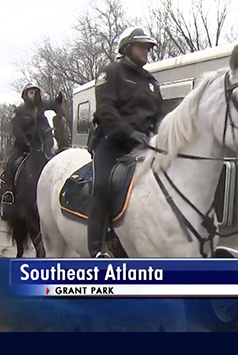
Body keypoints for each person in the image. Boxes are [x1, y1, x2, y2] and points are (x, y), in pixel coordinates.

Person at [87, 27, 164, 258]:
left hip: (143, 145)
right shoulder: (112, 73)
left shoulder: (151, 82)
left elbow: (159, 115)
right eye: (142, 47)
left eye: (148, 47)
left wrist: (159, 134)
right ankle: (97, 250)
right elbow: (106, 111)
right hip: (112, 143)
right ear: (127, 47)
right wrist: (129, 133)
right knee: (101, 186)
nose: (146, 51)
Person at [0, 83, 64, 205]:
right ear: (25, 95)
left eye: (35, 92)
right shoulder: (20, 111)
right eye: (30, 92)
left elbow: (52, 113)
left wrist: (58, 101)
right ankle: (9, 192)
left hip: (41, 146)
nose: (33, 95)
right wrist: (26, 142)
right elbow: (17, 130)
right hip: (23, 147)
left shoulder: (42, 108)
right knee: (10, 163)